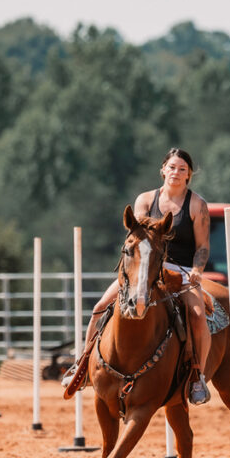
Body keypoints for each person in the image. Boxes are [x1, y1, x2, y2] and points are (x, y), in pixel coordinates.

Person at [62, 147, 213, 405]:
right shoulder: (145, 200)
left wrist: (197, 271)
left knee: (198, 318)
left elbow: (202, 246)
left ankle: (197, 376)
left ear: (189, 175)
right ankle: (83, 365)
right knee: (99, 308)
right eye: (172, 167)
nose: (176, 172)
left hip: (182, 272)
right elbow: (139, 238)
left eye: (182, 169)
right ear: (163, 170)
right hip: (145, 268)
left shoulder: (197, 205)